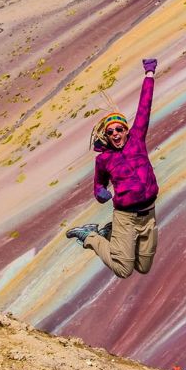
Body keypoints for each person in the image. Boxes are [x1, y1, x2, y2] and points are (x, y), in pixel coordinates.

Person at [66, 59, 160, 278]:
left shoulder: (137, 140)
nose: (116, 134)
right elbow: (98, 185)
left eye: (119, 129)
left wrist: (149, 74)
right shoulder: (104, 160)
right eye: (110, 132)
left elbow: (144, 107)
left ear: (127, 130)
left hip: (149, 215)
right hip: (126, 217)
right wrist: (101, 193)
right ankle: (90, 236)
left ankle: (110, 234)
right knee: (123, 270)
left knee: (144, 268)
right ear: (105, 136)